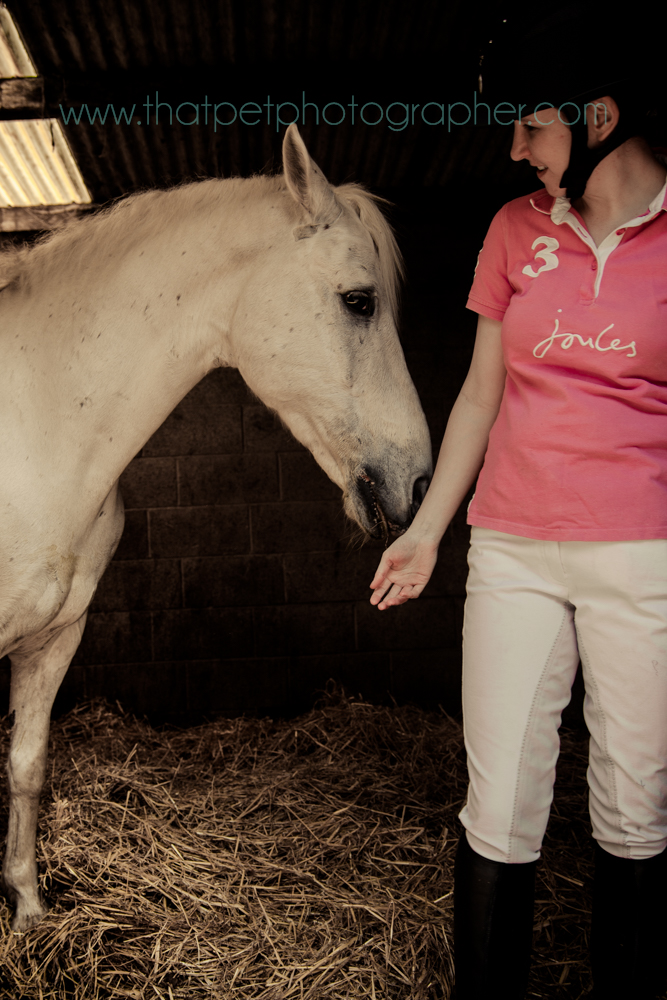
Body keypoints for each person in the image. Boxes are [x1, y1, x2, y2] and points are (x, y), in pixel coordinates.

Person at [369, 8, 667, 999]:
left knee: (634, 805)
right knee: (497, 802)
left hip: (644, 557)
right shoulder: (513, 230)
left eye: (532, 125)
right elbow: (479, 396)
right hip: (512, 549)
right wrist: (425, 534)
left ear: (598, 119)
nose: (514, 148)